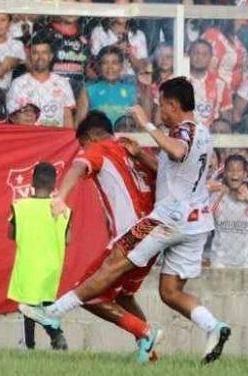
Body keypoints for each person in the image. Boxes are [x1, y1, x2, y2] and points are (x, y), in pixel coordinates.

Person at [25, 79, 233, 365]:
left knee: (102, 276)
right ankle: (214, 327)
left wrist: (147, 125)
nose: (159, 111)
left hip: (167, 220)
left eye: (161, 106)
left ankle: (54, 312)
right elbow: (173, 167)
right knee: (169, 292)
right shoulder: (205, 133)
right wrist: (143, 156)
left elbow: (177, 151)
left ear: (173, 105)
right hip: (196, 224)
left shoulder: (183, 130)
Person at [47, 111, 161, 359]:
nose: (84, 150)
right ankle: (150, 355)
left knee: (89, 293)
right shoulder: (136, 150)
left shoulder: (100, 147)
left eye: (82, 145)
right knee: (123, 296)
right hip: (155, 233)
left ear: (89, 137)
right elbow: (163, 175)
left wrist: (61, 196)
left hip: (131, 235)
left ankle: (144, 331)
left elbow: (79, 165)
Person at [7, 162, 70, 351]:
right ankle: (56, 335)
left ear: (32, 182)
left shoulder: (20, 207)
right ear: (54, 184)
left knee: (28, 307)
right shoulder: (64, 210)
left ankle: (29, 345)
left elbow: (10, 234)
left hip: (27, 265)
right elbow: (68, 239)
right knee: (47, 306)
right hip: (52, 268)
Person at [209, 154, 248, 270]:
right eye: (230, 170)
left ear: (245, 174)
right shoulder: (216, 195)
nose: (235, 174)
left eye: (239, 170)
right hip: (219, 262)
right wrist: (221, 191)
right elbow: (204, 219)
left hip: (244, 263)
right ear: (225, 173)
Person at [8, 40, 78, 128]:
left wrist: (68, 138)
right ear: (30, 57)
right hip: (29, 137)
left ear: (51, 56)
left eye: (44, 53)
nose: (40, 57)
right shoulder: (18, 83)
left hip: (55, 138)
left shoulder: (62, 83)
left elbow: (67, 118)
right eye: (35, 53)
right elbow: (13, 119)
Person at [85, 46, 138, 124]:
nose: (110, 67)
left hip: (125, 135)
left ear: (121, 66)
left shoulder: (132, 91)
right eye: (105, 63)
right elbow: (79, 126)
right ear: (99, 66)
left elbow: (140, 126)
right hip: (99, 135)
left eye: (114, 63)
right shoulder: (88, 90)